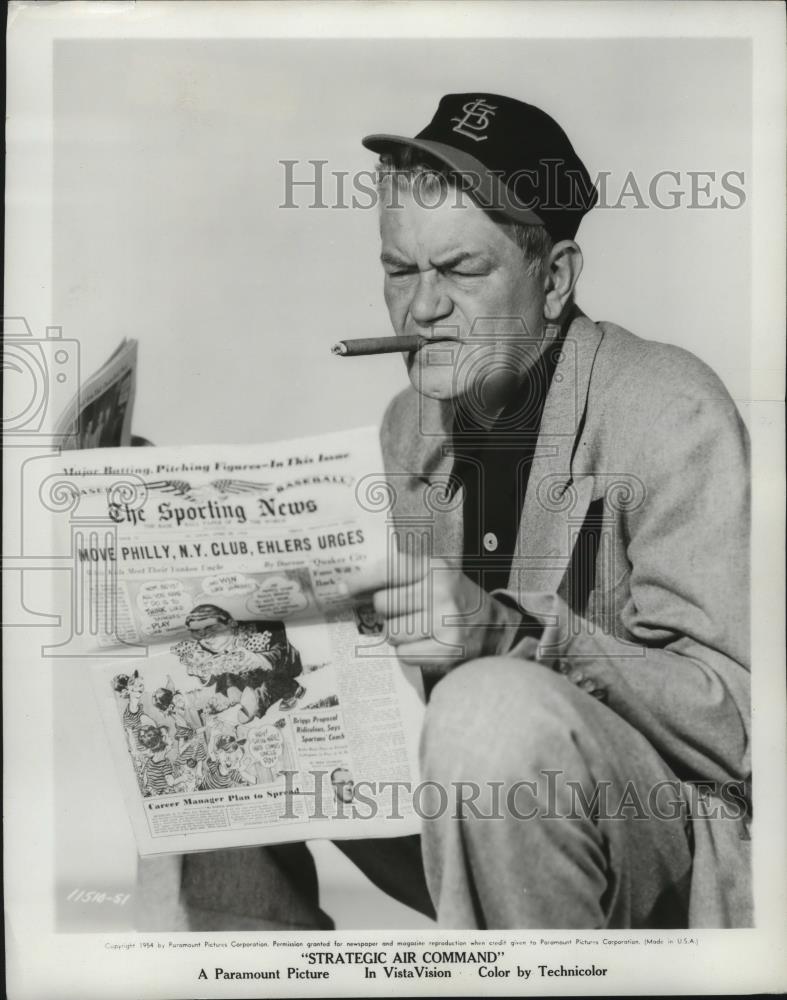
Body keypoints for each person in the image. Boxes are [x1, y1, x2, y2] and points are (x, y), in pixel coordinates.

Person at [156, 93, 750, 931]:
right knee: (205, 676)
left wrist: (506, 634)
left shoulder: (669, 408)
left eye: (461, 271)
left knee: (487, 708)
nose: (421, 307)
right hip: (476, 807)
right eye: (400, 270)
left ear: (554, 280)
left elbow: (743, 725)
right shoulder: (411, 423)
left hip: (664, 859)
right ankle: (247, 971)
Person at [171, 605, 305, 717]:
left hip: (283, 667)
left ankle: (269, 698)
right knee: (229, 683)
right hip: (241, 678)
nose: (206, 637)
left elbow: (279, 654)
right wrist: (204, 674)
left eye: (211, 628)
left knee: (262, 682)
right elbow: (214, 673)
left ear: (231, 624)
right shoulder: (206, 647)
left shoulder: (261, 630)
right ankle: (237, 697)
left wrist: (255, 659)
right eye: (197, 633)